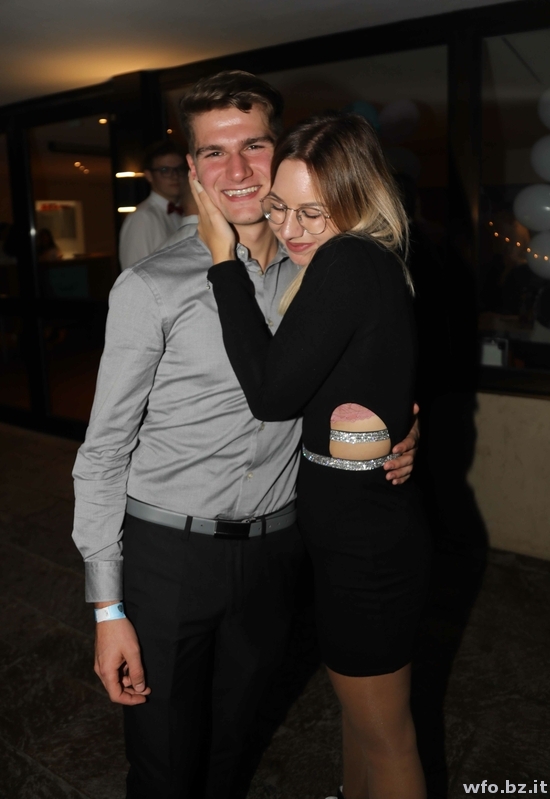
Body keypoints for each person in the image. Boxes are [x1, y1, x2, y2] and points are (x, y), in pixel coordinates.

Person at [72, 71, 418, 799]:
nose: (236, 170)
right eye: (213, 153)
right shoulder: (151, 286)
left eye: (254, 146)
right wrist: (107, 607)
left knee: (234, 754)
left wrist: (399, 429)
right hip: (169, 557)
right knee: (165, 770)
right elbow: (102, 452)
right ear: (191, 169)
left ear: (282, 151)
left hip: (278, 553)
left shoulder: (317, 267)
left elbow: (365, 367)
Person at [194, 110, 431, 799]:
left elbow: (272, 395)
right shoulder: (365, 263)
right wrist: (402, 430)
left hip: (366, 552)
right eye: (280, 208)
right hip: (356, 534)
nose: (291, 229)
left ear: (357, 204)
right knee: (362, 723)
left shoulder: (349, 260)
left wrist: (221, 261)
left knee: (388, 740)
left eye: (312, 213)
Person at [118, 141, 198, 270]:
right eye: (165, 170)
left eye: (179, 169)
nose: (174, 176)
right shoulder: (141, 218)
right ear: (149, 176)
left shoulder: (184, 212)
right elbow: (134, 272)